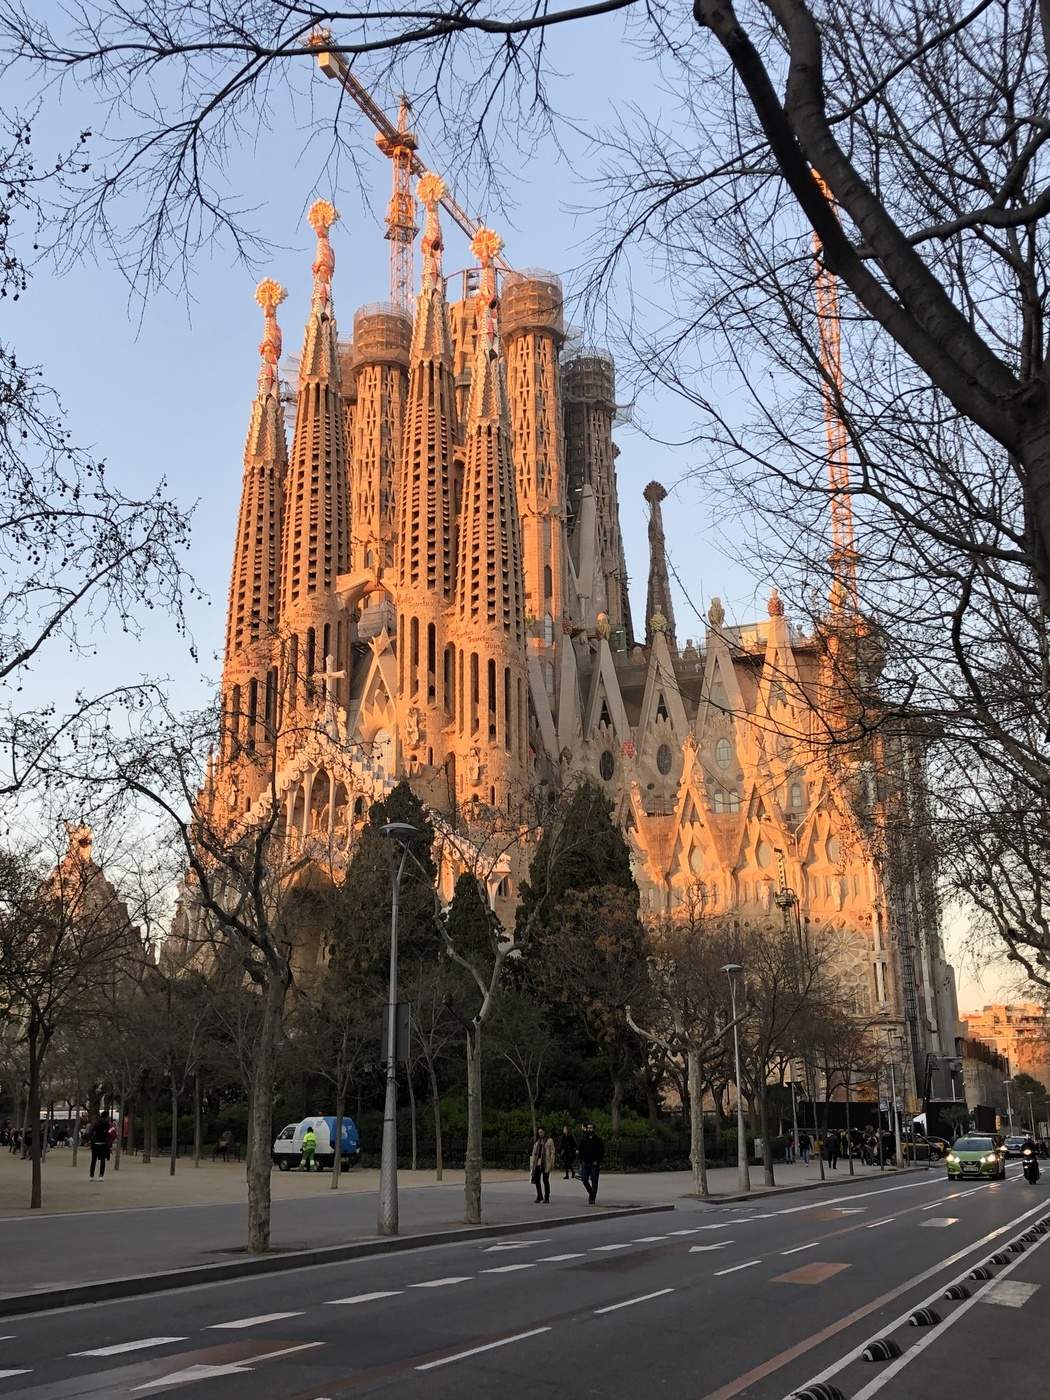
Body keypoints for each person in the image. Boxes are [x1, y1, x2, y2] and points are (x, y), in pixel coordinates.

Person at [578, 1122, 604, 1204]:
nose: (589, 1129)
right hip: (585, 1163)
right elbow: (580, 1150)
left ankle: (592, 1198)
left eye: (591, 1128)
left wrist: (597, 1161)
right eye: (588, 1128)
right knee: (584, 1179)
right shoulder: (583, 1139)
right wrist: (581, 1160)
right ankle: (591, 1193)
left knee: (594, 1181)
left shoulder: (598, 1140)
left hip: (594, 1164)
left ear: (594, 1129)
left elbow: (601, 1151)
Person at [530, 1127, 556, 1203]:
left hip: (546, 1162)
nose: (540, 1134)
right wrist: (532, 1164)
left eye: (541, 1132)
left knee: (545, 1180)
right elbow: (534, 1153)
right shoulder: (537, 1141)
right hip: (538, 1162)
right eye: (539, 1132)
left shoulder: (549, 1140)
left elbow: (552, 1152)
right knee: (537, 1180)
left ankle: (547, 1197)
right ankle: (539, 1195)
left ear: (544, 1132)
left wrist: (552, 1162)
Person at [89, 1115, 112, 1180]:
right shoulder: (107, 1125)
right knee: (102, 1161)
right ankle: (101, 1176)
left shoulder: (96, 1125)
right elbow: (109, 1134)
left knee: (93, 1160)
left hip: (95, 1144)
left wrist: (91, 1140)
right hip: (103, 1144)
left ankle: (91, 1175)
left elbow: (90, 1133)